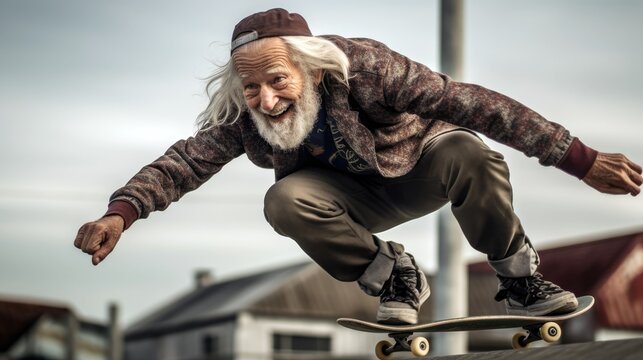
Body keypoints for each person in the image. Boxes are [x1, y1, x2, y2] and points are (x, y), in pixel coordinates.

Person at [74, 8, 642, 325]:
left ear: (313, 69)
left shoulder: (368, 67)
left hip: (422, 167)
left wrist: (580, 159)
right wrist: (121, 214)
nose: (267, 101)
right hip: (349, 203)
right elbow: (183, 163)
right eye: (253, 88)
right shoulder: (243, 114)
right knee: (283, 200)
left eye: (278, 82)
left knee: (470, 151)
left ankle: (520, 281)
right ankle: (394, 274)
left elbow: (474, 103)